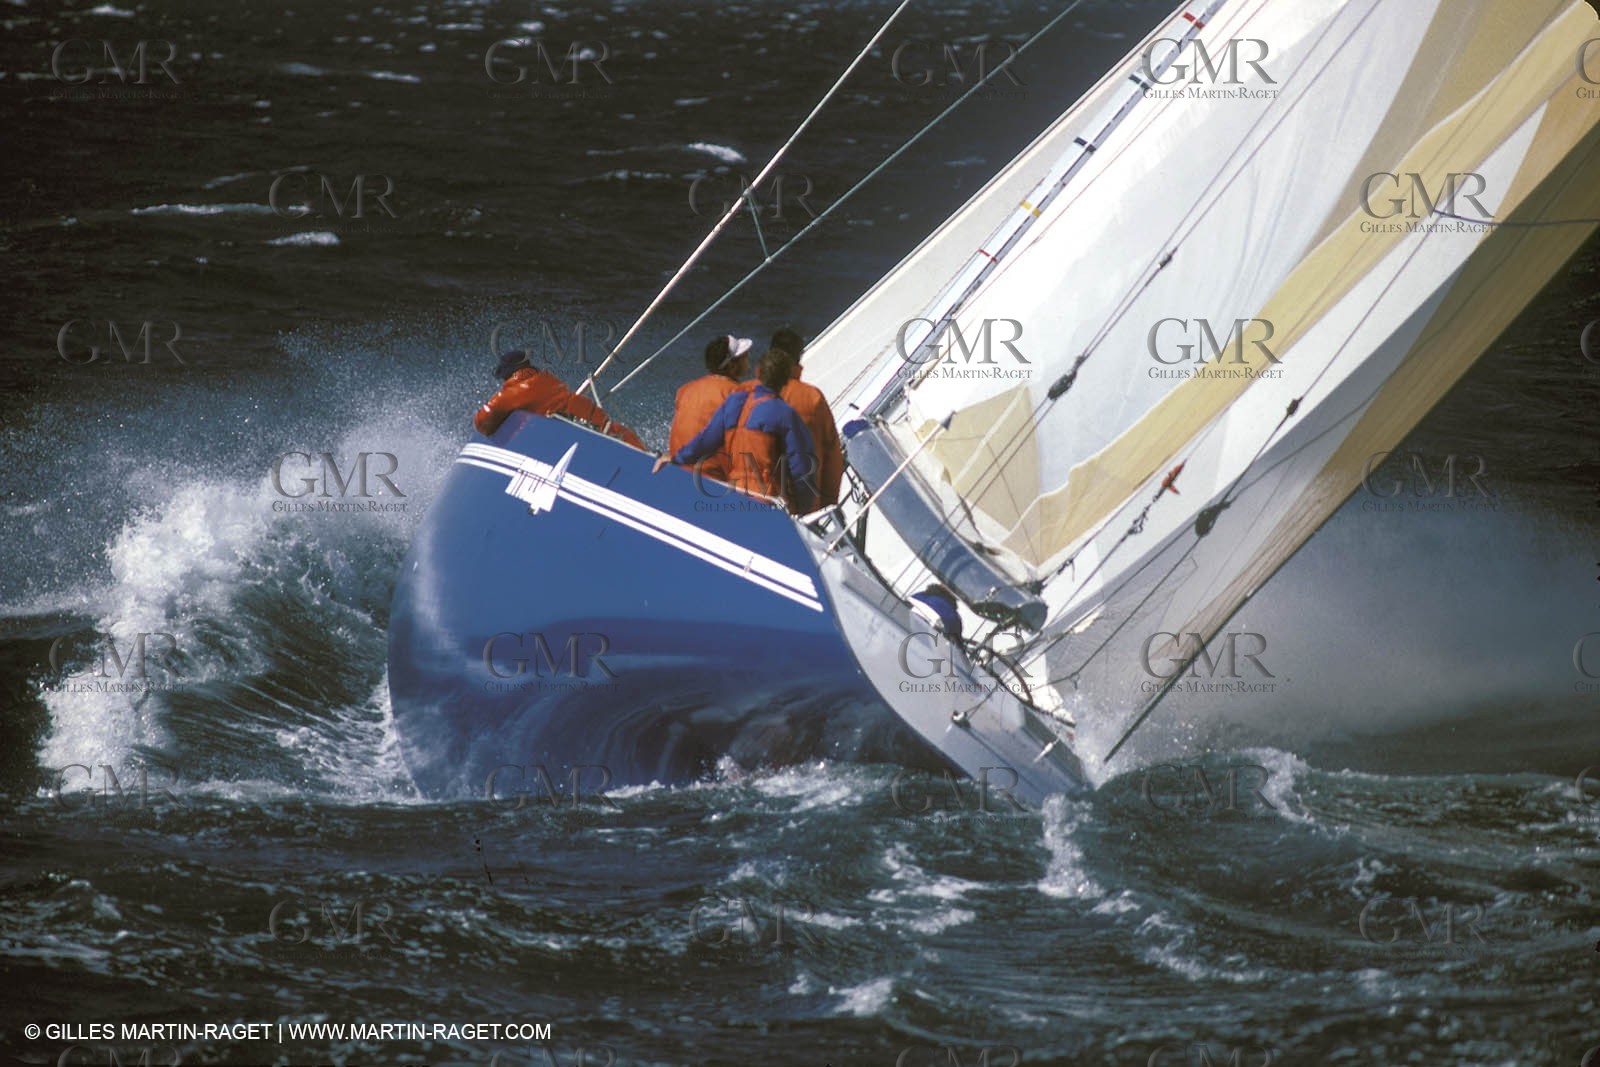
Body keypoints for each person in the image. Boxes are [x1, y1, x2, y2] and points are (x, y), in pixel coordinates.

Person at [655, 348, 818, 513]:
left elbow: (706, 440)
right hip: (765, 497)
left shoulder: (735, 401)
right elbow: (801, 467)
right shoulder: (785, 414)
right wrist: (805, 508)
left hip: (733, 491)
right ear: (786, 380)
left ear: (758, 372)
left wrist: (677, 458)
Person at [738, 328, 844, 507]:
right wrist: (827, 503)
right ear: (798, 357)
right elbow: (832, 455)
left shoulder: (742, 392)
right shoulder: (812, 398)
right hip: (795, 505)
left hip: (743, 496)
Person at [474, 350, 644, 448]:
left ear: (508, 374)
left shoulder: (513, 393)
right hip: (603, 427)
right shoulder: (548, 379)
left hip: (568, 440)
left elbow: (482, 422)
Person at [666, 335, 753, 481]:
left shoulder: (686, 389)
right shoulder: (738, 395)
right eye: (745, 358)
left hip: (678, 466)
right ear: (732, 366)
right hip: (712, 476)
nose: (749, 361)